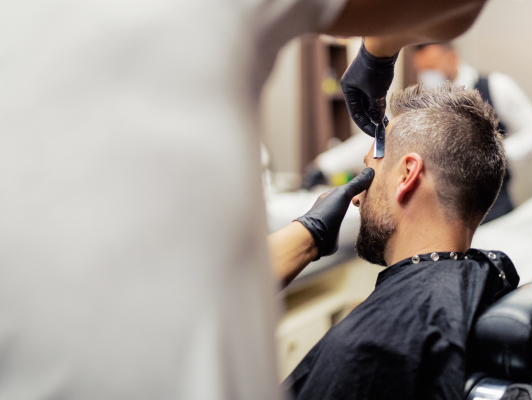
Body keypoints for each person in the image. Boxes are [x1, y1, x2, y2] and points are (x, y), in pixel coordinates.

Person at [0, 0, 490, 398]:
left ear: (406, 174)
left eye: (372, 165)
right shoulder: (473, 284)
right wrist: (379, 52)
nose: (360, 194)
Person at [283, 83, 520, 400]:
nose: (356, 200)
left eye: (369, 172)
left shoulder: (372, 345)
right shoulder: (490, 273)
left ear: (407, 174)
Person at [413, 42, 532, 223]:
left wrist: (493, 155)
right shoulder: (425, 100)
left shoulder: (495, 86)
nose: (427, 75)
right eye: (422, 70)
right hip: (444, 215)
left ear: (452, 58)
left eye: (431, 67)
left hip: (494, 209)